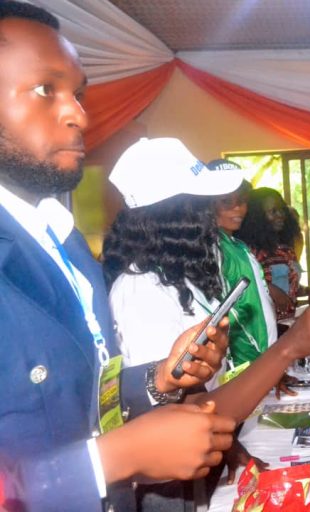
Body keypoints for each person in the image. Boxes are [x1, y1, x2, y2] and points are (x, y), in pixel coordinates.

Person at [0, 5, 236, 510]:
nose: (79, 115)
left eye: (78, 94)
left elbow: (76, 400)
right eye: (45, 89)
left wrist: (158, 379)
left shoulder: (65, 246)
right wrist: (111, 461)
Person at [104, 138, 310, 509]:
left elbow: (200, 395)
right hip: (171, 487)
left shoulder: (185, 279)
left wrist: (233, 448)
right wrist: (289, 347)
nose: (210, 217)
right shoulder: (140, 289)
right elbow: (171, 414)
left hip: (206, 451)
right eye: (203, 207)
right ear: (176, 215)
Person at [208, 159, 277, 367]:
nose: (238, 208)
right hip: (246, 363)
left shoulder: (238, 246)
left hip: (264, 358)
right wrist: (255, 365)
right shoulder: (214, 248)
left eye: (242, 200)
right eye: (226, 201)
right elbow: (226, 317)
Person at [236, 187, 310, 320]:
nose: (280, 215)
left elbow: (288, 287)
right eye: (273, 211)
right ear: (257, 217)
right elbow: (241, 284)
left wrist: (307, 290)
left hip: (286, 324)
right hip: (263, 324)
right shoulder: (248, 251)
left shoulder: (286, 250)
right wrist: (270, 289)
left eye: (282, 210)